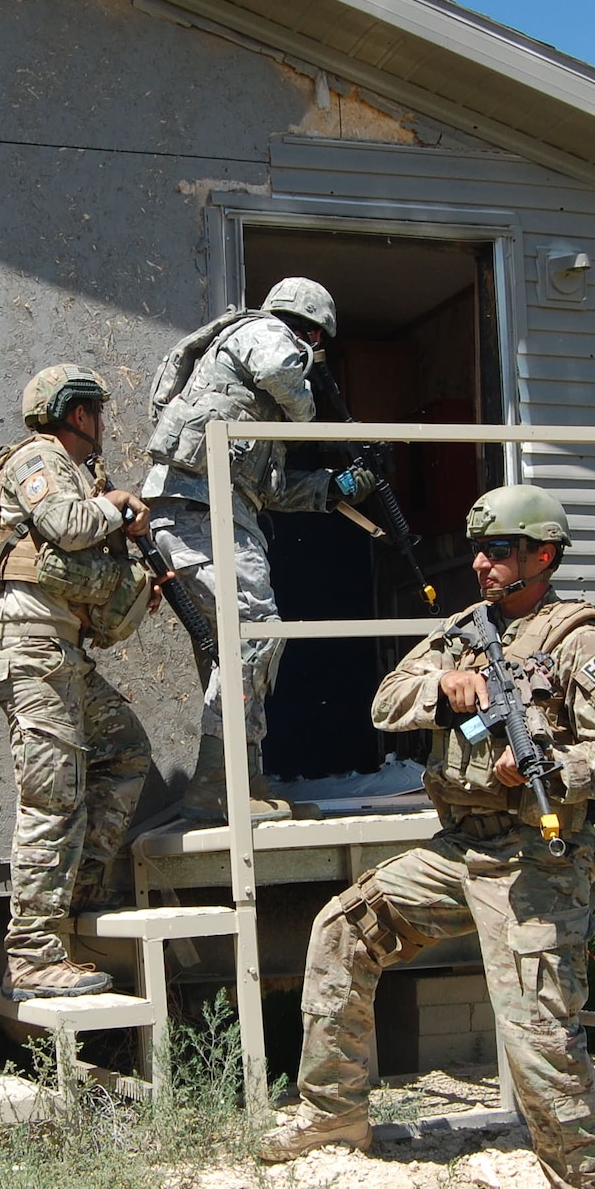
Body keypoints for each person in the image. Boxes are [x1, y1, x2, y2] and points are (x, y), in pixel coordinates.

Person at [258, 485, 595, 1189]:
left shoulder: (584, 640)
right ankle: (335, 1114)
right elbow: (385, 700)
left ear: (543, 555)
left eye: (499, 549)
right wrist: (447, 690)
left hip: (539, 861)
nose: (481, 561)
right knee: (344, 925)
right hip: (459, 849)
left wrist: (549, 766)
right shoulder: (463, 636)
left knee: (536, 1031)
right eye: (479, 548)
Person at [141, 277, 376, 819]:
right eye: (315, 341)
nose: (313, 352)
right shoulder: (261, 332)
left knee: (238, 649)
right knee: (255, 631)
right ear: (309, 329)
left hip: (215, 511)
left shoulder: (251, 407)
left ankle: (244, 785)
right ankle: (213, 788)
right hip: (199, 510)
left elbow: (266, 489)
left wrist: (333, 488)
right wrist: (314, 402)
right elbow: (282, 372)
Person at [0, 364, 153, 1001]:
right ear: (77, 414)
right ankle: (31, 955)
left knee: (126, 752)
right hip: (29, 655)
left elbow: (85, 584)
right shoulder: (39, 459)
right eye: (99, 413)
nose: (103, 425)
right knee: (51, 797)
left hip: (63, 656)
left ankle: (75, 889)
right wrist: (112, 509)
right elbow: (66, 526)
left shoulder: (84, 477)